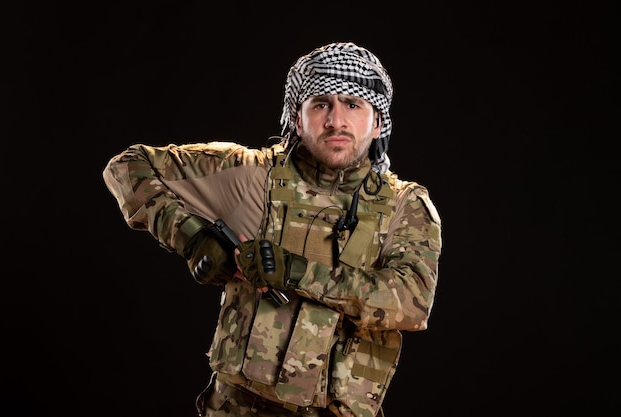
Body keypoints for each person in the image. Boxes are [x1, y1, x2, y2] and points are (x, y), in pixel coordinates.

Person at [102, 42, 442, 417]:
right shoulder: (253, 175)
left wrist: (294, 271)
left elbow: (410, 303)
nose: (336, 120)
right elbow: (127, 166)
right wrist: (191, 236)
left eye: (352, 104)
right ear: (298, 119)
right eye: (321, 104)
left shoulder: (403, 206)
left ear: (377, 122)